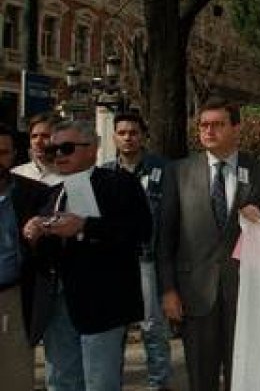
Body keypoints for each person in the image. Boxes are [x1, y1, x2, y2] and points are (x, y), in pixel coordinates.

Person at [157, 99, 260, 391]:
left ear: (236, 128)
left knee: (242, 377)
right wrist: (168, 291)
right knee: (201, 378)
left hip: (245, 294)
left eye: (218, 124)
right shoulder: (179, 171)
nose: (209, 131)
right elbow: (165, 237)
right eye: (204, 125)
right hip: (195, 295)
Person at [24, 121, 151, 391]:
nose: (59, 155)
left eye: (66, 148)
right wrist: (33, 232)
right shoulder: (49, 193)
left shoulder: (119, 184)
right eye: (53, 150)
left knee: (100, 383)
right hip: (57, 306)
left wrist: (85, 225)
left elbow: (140, 231)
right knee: (60, 382)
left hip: (102, 305)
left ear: (92, 149)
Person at [98, 112, 172, 391]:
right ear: (114, 136)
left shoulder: (163, 170)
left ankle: (159, 383)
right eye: (122, 133)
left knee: (152, 328)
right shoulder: (104, 174)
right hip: (113, 263)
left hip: (147, 260)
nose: (128, 138)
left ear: (143, 136)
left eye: (133, 133)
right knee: (113, 329)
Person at [0, 122, 52, 391]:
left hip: (13, 297)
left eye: (3, 152)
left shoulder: (33, 193)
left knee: (14, 376)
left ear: (13, 155)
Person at [12, 112, 60, 185]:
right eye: (34, 136)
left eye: (45, 136)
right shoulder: (16, 174)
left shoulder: (72, 175)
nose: (38, 141)